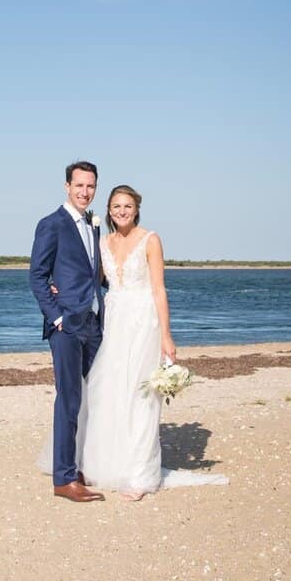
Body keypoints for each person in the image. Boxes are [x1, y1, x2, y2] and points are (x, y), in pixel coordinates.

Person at [81, 184, 174, 500]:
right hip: (115, 322)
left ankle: (140, 476)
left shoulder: (150, 240)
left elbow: (159, 289)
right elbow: (91, 279)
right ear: (109, 210)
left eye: (128, 206)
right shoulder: (103, 242)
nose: (122, 211)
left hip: (144, 322)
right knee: (110, 391)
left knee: (141, 395)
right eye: (116, 206)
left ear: (136, 210)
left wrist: (166, 335)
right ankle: (109, 464)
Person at [29, 161, 105, 502]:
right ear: (67, 186)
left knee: (93, 398)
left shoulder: (93, 225)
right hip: (67, 326)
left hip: (94, 324)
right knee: (69, 399)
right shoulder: (52, 224)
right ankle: (63, 479)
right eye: (79, 186)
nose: (85, 192)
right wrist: (57, 317)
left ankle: (80, 465)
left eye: (90, 186)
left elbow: (93, 275)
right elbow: (37, 276)